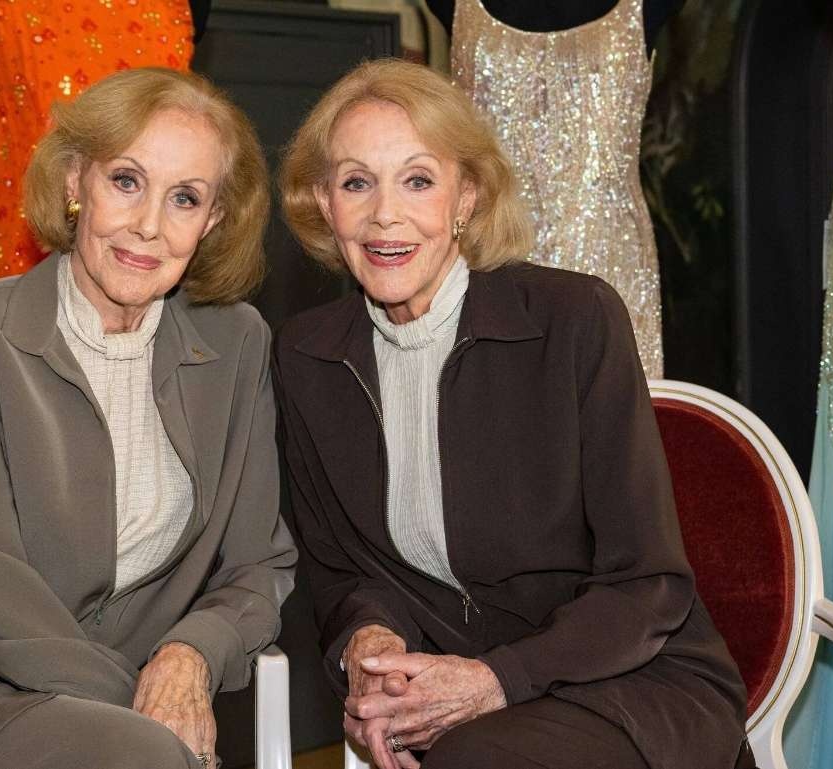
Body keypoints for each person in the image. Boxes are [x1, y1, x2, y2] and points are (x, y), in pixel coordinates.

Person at [274, 58, 753, 769]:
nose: (384, 215)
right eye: (355, 182)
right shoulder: (307, 356)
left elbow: (647, 580)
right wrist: (370, 646)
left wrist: (496, 679)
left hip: (629, 685)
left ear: (466, 196)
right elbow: (342, 570)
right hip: (460, 693)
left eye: (418, 180)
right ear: (323, 202)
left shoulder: (572, 318)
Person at [0, 67, 296, 769]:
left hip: (130, 723)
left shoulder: (236, 342)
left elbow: (257, 566)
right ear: (75, 180)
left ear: (212, 222)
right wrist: (144, 708)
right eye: (127, 181)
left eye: (184, 198)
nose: (149, 225)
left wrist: (190, 652)